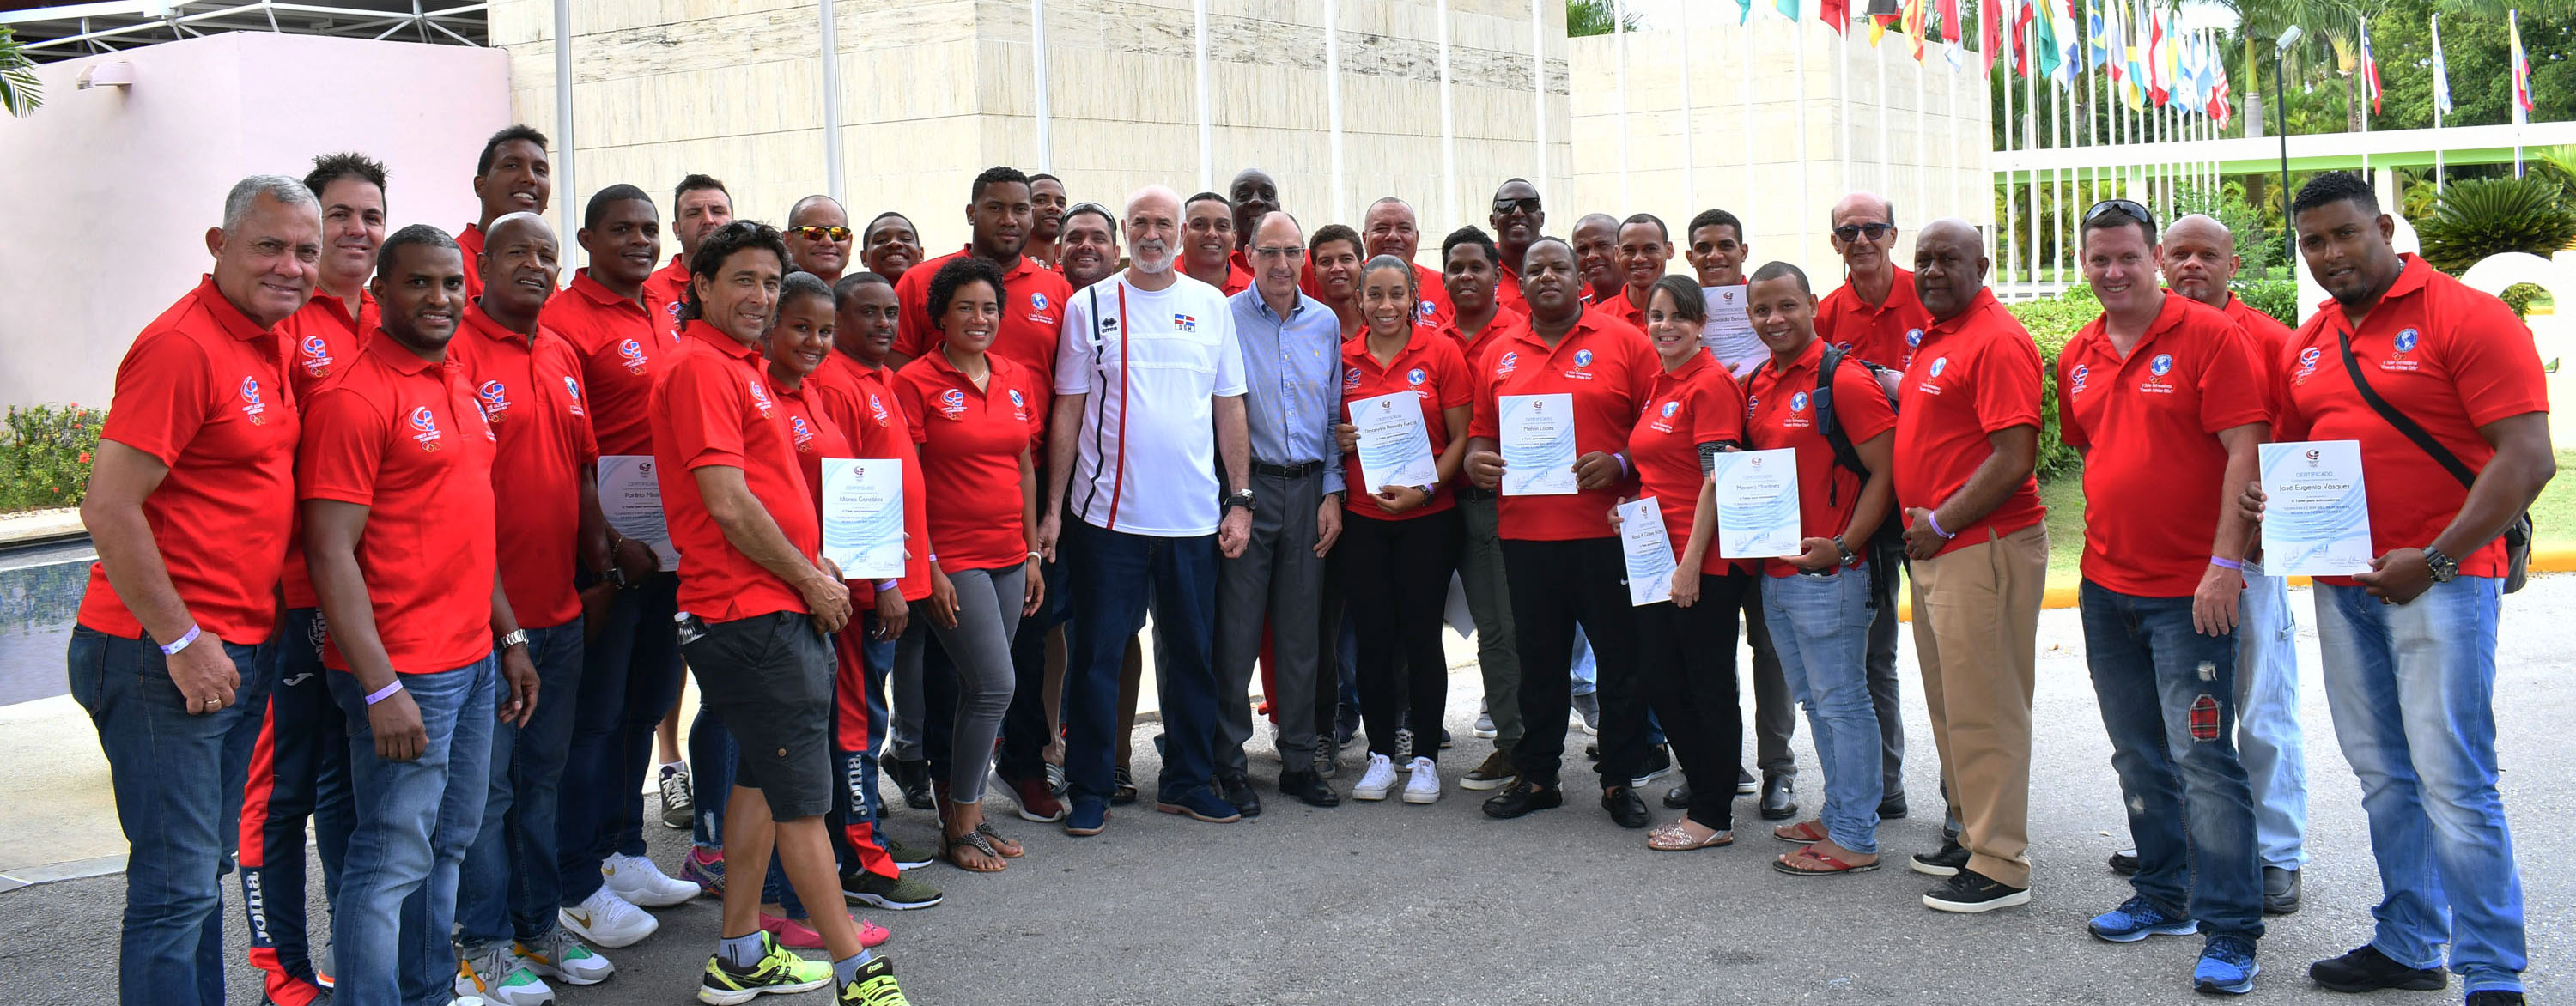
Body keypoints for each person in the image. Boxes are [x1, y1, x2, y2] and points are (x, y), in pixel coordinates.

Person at [2250, 171, 2549, 1006]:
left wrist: (2440, 557)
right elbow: (2300, 452)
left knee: (2455, 777)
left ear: (2383, 226)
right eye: (2313, 241)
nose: (2329, 253)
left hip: (2444, 583)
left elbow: (2526, 459)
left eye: (2344, 234)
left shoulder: (2467, 315)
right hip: (2346, 586)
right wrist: (2270, 500)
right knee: (2385, 773)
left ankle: (2493, 973)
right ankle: (2410, 941)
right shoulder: (2308, 340)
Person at [648, 220, 910, 1004]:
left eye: (771, 282)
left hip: (774, 603)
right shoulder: (701, 368)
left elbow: (762, 494)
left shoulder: (742, 367)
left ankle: (737, 953)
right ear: (700, 286)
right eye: (744, 281)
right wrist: (812, 580)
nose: (761, 296)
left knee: (763, 784)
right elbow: (725, 504)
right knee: (803, 803)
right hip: (749, 614)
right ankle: (858, 975)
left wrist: (813, 565)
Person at [71, 174, 317, 1006]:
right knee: (176, 886)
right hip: (161, 655)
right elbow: (108, 506)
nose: (290, 265)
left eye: (305, 251)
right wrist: (182, 640)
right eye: (270, 246)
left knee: (200, 871)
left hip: (235, 646)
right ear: (219, 247)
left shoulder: (267, 338)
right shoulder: (183, 346)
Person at [298, 223, 535, 1005]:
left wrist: (510, 635)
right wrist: (378, 686)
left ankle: (428, 992)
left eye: (450, 285)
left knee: (450, 845)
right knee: (391, 856)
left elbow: (473, 525)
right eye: (418, 284)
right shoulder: (353, 397)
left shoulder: (456, 380)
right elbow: (330, 552)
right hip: (406, 670)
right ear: (380, 292)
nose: (439, 299)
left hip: (471, 662)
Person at [2054, 199, 2269, 995]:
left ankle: (2232, 932)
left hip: (2193, 593)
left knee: (2206, 761)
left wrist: (2226, 564)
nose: (2113, 272)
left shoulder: (2212, 338)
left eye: (2127, 258)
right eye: (2098, 259)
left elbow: (2244, 454)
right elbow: (2099, 452)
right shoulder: (2078, 350)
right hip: (2108, 590)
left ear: (2154, 259)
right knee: (2138, 752)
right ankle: (2162, 895)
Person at [447, 212, 632, 1003]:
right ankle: (481, 943)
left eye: (545, 254)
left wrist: (601, 559)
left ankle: (539, 924)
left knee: (541, 781)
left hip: (559, 612)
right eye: (515, 252)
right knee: (486, 793)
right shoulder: (453, 350)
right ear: (481, 264)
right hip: (485, 620)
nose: (533, 263)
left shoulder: (558, 352)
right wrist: (503, 623)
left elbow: (583, 470)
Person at [1040, 185, 1254, 835]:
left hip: (1192, 520)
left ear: (1183, 231)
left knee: (1191, 656)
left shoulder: (1211, 305)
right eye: (1141, 223)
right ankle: (1091, 788)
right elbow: (1069, 411)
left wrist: (1239, 499)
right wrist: (1053, 509)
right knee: (1098, 656)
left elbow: (1230, 406)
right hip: (1106, 519)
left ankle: (1186, 781)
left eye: (1164, 223)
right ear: (1126, 232)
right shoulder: (1090, 305)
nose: (1153, 234)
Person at [539, 185, 706, 946]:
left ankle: (622, 851)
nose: (639, 242)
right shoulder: (566, 321)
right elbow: (568, 451)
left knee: (646, 704)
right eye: (622, 230)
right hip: (610, 553)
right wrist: (607, 541)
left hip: (668, 548)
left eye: (648, 230)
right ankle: (576, 876)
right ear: (587, 238)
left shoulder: (664, 312)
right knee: (597, 718)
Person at [242, 153, 382, 1006]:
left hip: (365, 602)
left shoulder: (385, 320)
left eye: (371, 214)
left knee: (344, 785)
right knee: (283, 788)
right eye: (340, 215)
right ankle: (281, 969)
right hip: (289, 598)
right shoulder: (290, 323)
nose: (357, 230)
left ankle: (348, 959)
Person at [1461, 237, 1658, 826]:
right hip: (1526, 535)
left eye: (1560, 267)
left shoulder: (1626, 343)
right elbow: (1479, 432)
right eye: (1535, 269)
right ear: (1520, 286)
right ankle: (1539, 774)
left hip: (1607, 532)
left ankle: (1619, 779)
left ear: (1581, 279)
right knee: (1538, 662)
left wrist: (1622, 464)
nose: (1548, 276)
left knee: (1621, 661)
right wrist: (1476, 459)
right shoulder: (1498, 352)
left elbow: (1660, 429)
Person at [1894, 219, 2049, 914]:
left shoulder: (1996, 339)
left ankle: (2000, 864)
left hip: (1979, 547)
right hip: (1939, 549)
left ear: (1981, 265)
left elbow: (2013, 460)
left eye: (1947, 259)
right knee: (1952, 702)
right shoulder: (1942, 336)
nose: (1930, 271)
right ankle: (1968, 830)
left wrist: (1943, 520)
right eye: (1922, 259)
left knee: (1986, 708)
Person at [2157, 213, 2308, 916]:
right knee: (2186, 715)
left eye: (2207, 255)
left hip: (2246, 560)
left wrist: (2260, 538)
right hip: (2165, 565)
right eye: (2180, 253)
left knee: (2262, 707)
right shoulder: (2140, 335)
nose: (2192, 265)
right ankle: (2199, 841)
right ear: (2161, 260)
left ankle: (2276, 853)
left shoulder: (2274, 344)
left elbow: (2303, 449)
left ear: (2233, 263)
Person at [1739, 260, 1899, 875]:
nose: (1774, 319)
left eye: (1787, 306)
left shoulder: (1844, 380)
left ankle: (1856, 836)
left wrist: (1848, 546)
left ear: (1811, 306)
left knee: (1842, 702)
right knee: (1814, 699)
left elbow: (1886, 471)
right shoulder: (1758, 382)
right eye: (1762, 309)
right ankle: (1838, 813)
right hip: (1776, 575)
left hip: (1831, 573)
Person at [893, 256, 1048, 869]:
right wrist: (925, 563)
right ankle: (958, 826)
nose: (979, 319)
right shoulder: (917, 381)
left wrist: (1033, 551)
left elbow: (1025, 468)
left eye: (988, 308)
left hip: (1010, 553)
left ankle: (968, 818)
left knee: (977, 690)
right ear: (941, 316)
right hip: (951, 557)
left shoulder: (1012, 376)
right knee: (993, 686)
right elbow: (908, 481)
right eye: (965, 308)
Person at [806, 272, 950, 909]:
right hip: (863, 593)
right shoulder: (835, 384)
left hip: (891, 583)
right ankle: (861, 863)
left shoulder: (880, 378)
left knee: (870, 717)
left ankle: (868, 841)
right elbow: (850, 497)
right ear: (837, 318)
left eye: (892, 312)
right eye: (867, 313)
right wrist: (885, 584)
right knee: (858, 726)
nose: (884, 324)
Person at [1332, 253, 1473, 805]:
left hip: (1427, 519)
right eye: (1375, 295)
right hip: (1364, 520)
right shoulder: (1343, 359)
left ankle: (1425, 761)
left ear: (1414, 296)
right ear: (1360, 300)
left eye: (1397, 294)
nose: (1386, 306)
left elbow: (1461, 438)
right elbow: (1331, 429)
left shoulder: (1440, 351)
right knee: (1373, 639)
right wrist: (1342, 437)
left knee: (1421, 639)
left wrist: (1427, 489)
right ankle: (1380, 756)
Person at [1218, 210, 1346, 811]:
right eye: (1269, 251)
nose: (1280, 263)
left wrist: (1332, 492)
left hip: (1309, 490)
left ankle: (1299, 760)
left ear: (1303, 259)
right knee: (1237, 634)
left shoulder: (1323, 324)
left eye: (1291, 252)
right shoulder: (1226, 318)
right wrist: (1236, 497)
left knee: (1300, 636)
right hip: (1250, 490)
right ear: (1248, 255)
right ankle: (1228, 762)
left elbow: (1330, 415)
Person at [1619, 276, 1748, 851]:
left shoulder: (1710, 384)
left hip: (1701, 563)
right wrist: (1628, 511)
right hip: (1654, 556)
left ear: (1701, 324)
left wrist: (1692, 563)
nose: (1664, 325)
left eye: (1677, 316)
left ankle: (1712, 813)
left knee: (1707, 686)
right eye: (1656, 315)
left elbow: (1718, 479)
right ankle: (1705, 793)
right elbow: (1657, 470)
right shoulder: (1659, 382)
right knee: (1660, 679)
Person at [1812, 191, 1917, 824]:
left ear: (1892, 233)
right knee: (1871, 654)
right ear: (1835, 243)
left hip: (1935, 502)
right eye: (1847, 231)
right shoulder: (1826, 315)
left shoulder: (1926, 297)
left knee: (1940, 660)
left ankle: (1964, 807)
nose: (1861, 240)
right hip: (1867, 506)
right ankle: (1883, 783)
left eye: (1872, 228)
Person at [1046, 202, 1154, 804]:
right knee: (1047, 631)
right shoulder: (1044, 300)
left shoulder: (1141, 302)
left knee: (1115, 628)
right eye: (1074, 237)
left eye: (1098, 237)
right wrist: (1052, 504)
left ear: (1115, 248)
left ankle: (1113, 756)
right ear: (1058, 248)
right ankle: (1048, 751)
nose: (1086, 246)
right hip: (1045, 488)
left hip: (1121, 499)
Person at [1431, 226, 1526, 793]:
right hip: (1431, 505)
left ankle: (1514, 743)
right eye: (1455, 268)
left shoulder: (1521, 334)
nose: (1466, 277)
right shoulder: (1427, 340)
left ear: (1496, 274)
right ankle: (1408, 740)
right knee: (1417, 627)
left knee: (1500, 628)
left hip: (1497, 505)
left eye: (1476, 267)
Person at [457, 126, 551, 300]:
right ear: (481, 186)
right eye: (512, 165)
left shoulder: (544, 269)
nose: (530, 178)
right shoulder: (451, 264)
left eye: (540, 170)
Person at [644, 175, 735, 334]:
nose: (708, 220)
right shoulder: (647, 290)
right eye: (694, 213)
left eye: (718, 211)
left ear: (734, 224)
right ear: (676, 229)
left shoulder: (756, 287)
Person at [1682, 208, 1767, 376]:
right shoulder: (1679, 310)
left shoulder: (1769, 301)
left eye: (1726, 246)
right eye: (1704, 248)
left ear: (1743, 252)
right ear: (1690, 257)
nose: (1714, 255)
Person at [1599, 214, 1674, 330]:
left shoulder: (1690, 310)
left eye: (1650, 249)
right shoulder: (1600, 318)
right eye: (1629, 250)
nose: (1639, 258)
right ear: (1617, 254)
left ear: (1669, 250)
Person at [1486, 178, 1546, 316]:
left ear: (1542, 219)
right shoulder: (1479, 270)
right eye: (1506, 205)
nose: (1518, 212)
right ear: (1492, 221)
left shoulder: (1567, 269)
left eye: (1529, 204)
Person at [1181, 191, 1250, 294]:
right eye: (1199, 225)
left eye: (1222, 226)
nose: (1212, 234)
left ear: (1234, 238)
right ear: (1181, 233)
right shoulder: (1159, 285)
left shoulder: (1252, 292)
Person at [1308, 223, 1366, 338]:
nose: (1336, 268)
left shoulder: (1382, 323)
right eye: (1326, 261)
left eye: (1346, 259)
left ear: (1362, 267)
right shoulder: (1304, 332)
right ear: (1315, 272)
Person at [786, 195, 854, 285]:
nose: (828, 241)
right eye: (813, 232)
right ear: (788, 241)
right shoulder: (769, 297)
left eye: (838, 233)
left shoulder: (866, 297)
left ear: (849, 244)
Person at [1225, 167, 1281, 275]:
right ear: (1229, 210)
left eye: (1267, 195)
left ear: (1278, 208)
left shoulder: (1306, 264)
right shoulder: (1215, 264)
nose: (1256, 201)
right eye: (1243, 196)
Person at [1059, 203, 1122, 293]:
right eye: (1075, 238)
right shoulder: (1041, 297)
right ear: (1058, 253)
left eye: (1098, 239)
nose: (1086, 245)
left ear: (1116, 255)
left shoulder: (1133, 304)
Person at [1569, 213, 1625, 307]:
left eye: (1602, 245)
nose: (1591, 256)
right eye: (1583, 249)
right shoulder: (1576, 312)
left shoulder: (1651, 306)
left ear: (1621, 249)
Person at [861, 211, 924, 287]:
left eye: (905, 239)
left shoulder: (938, 295)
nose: (894, 243)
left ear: (921, 255)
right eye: (881, 240)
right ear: (864, 258)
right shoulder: (850, 297)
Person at [1025, 173, 1068, 268]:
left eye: (1060, 203)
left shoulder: (1072, 275)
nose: (1054, 207)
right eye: (1041, 200)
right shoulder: (997, 272)